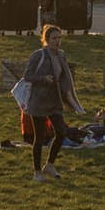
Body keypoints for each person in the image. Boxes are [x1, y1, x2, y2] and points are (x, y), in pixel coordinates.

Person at [20, 25, 86, 181]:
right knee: (40, 138)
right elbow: (27, 76)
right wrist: (43, 79)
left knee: (61, 133)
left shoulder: (61, 55)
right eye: (54, 38)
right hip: (39, 101)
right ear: (46, 40)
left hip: (55, 100)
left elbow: (64, 76)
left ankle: (49, 164)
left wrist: (68, 94)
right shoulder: (38, 55)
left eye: (59, 38)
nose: (57, 41)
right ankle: (37, 172)